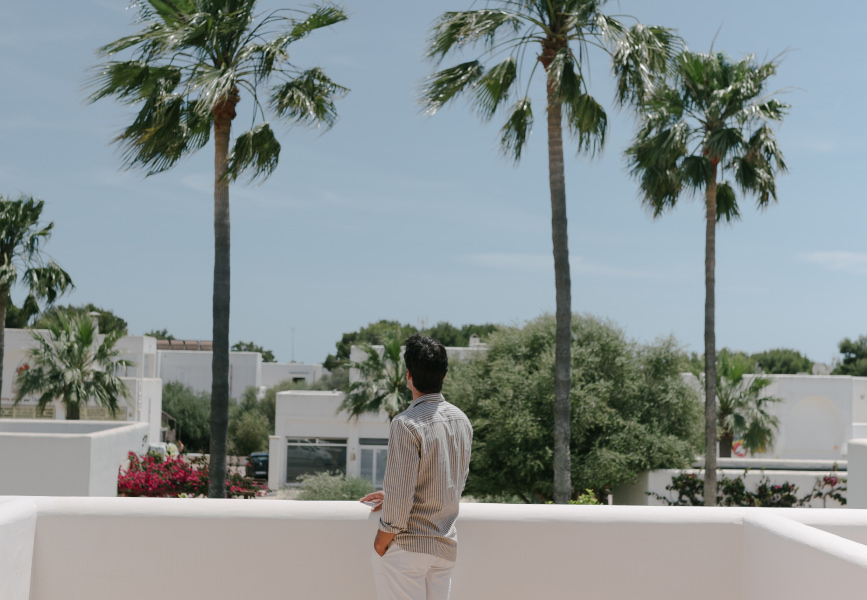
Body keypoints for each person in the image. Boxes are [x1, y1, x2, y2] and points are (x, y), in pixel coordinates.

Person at [360, 334, 473, 600]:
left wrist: (380, 542)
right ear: (444, 375)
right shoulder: (462, 421)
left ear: (408, 375)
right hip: (444, 548)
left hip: (407, 548)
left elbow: (398, 508)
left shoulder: (406, 423)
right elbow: (452, 483)